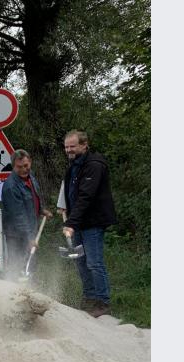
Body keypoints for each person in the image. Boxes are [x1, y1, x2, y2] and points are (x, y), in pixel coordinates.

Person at [62, 130, 117, 318]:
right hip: (78, 221)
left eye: (73, 146)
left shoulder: (94, 165)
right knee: (80, 261)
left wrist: (71, 222)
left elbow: (86, 197)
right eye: (66, 146)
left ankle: (103, 302)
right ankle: (89, 297)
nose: (69, 149)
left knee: (94, 262)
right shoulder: (74, 165)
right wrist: (65, 208)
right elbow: (70, 191)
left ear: (84, 145)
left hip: (93, 221)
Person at [1, 149, 52, 279]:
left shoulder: (31, 178)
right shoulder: (11, 186)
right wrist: (29, 237)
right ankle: (13, 292)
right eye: (19, 167)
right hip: (17, 235)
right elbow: (18, 215)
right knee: (18, 264)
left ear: (30, 162)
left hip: (29, 230)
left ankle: (30, 293)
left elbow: (33, 198)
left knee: (30, 263)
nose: (24, 169)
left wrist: (41, 210)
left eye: (26, 165)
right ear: (13, 166)